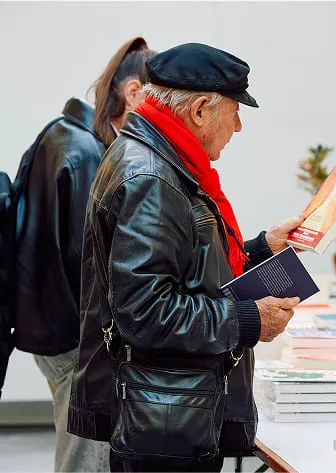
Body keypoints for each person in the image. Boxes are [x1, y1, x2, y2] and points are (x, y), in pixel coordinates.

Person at [68, 42, 303, 472]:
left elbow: (184, 264)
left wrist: (258, 248)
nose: (238, 126)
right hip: (166, 417)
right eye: (235, 111)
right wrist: (250, 320)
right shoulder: (153, 178)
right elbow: (147, 312)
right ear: (199, 111)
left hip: (170, 409)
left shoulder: (158, 158)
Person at [1, 37, 155, 473]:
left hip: (52, 332)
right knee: (86, 461)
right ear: (134, 94)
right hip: (74, 342)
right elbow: (92, 265)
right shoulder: (86, 153)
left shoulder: (65, 137)